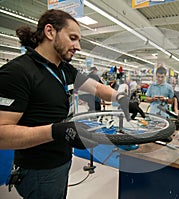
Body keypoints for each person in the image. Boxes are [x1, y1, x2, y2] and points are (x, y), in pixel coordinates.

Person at [0, 9, 130, 199]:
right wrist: (55, 131)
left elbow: (97, 88)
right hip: (38, 170)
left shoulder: (64, 70)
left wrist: (121, 98)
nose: (78, 46)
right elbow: (2, 134)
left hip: (63, 160)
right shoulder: (17, 72)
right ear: (50, 32)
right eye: (73, 38)